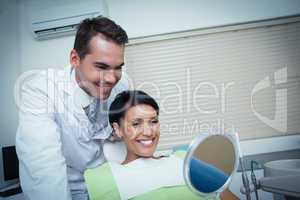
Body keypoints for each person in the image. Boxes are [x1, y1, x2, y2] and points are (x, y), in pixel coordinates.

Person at [16, 16, 129, 200]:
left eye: (118, 68)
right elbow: (44, 167)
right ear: (75, 59)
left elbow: (124, 136)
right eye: (101, 66)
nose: (111, 78)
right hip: (67, 189)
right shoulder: (40, 90)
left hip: (110, 184)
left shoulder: (121, 85)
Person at [84, 90, 239, 200]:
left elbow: (225, 195)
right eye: (136, 123)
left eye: (154, 121)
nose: (148, 131)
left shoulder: (184, 159)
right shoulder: (105, 178)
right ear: (117, 130)